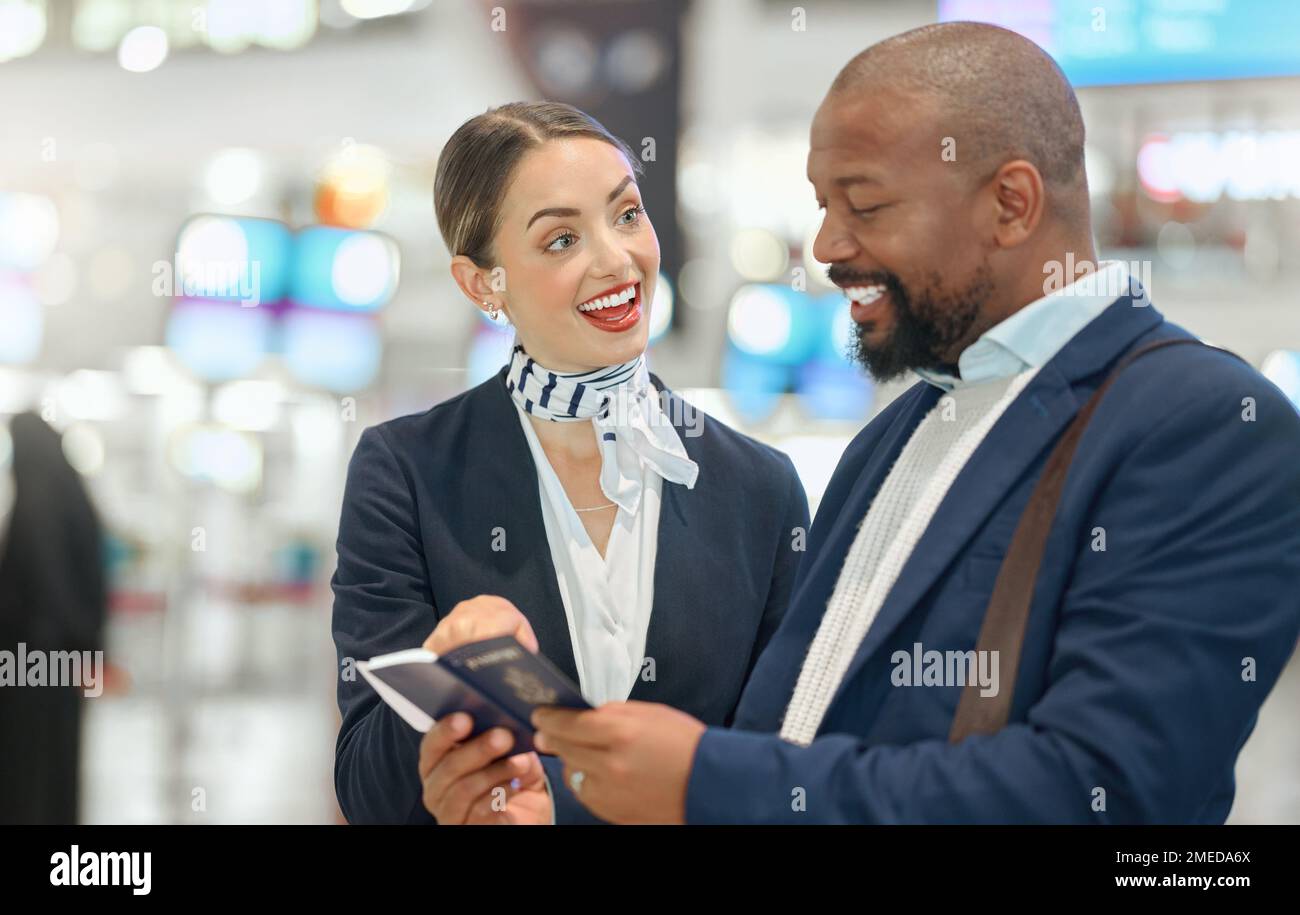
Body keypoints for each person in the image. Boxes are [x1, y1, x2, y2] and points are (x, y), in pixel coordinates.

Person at [511, 22, 1300, 823]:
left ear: (1011, 203)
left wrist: (704, 783)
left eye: (866, 205)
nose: (826, 246)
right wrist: (552, 794)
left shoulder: (1204, 427)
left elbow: (1101, 793)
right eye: (824, 206)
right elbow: (795, 733)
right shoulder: (895, 436)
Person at [331, 101, 809, 824]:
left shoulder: (759, 490)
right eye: (560, 240)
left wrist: (555, 804)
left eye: (625, 215)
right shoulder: (406, 472)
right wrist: (440, 671)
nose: (616, 259)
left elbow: (786, 776)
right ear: (481, 283)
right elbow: (368, 791)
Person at [0, 411, 108, 824]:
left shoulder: (37, 500)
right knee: (58, 758)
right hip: (61, 660)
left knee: (29, 765)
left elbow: (47, 585)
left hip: (33, 662)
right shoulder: (68, 491)